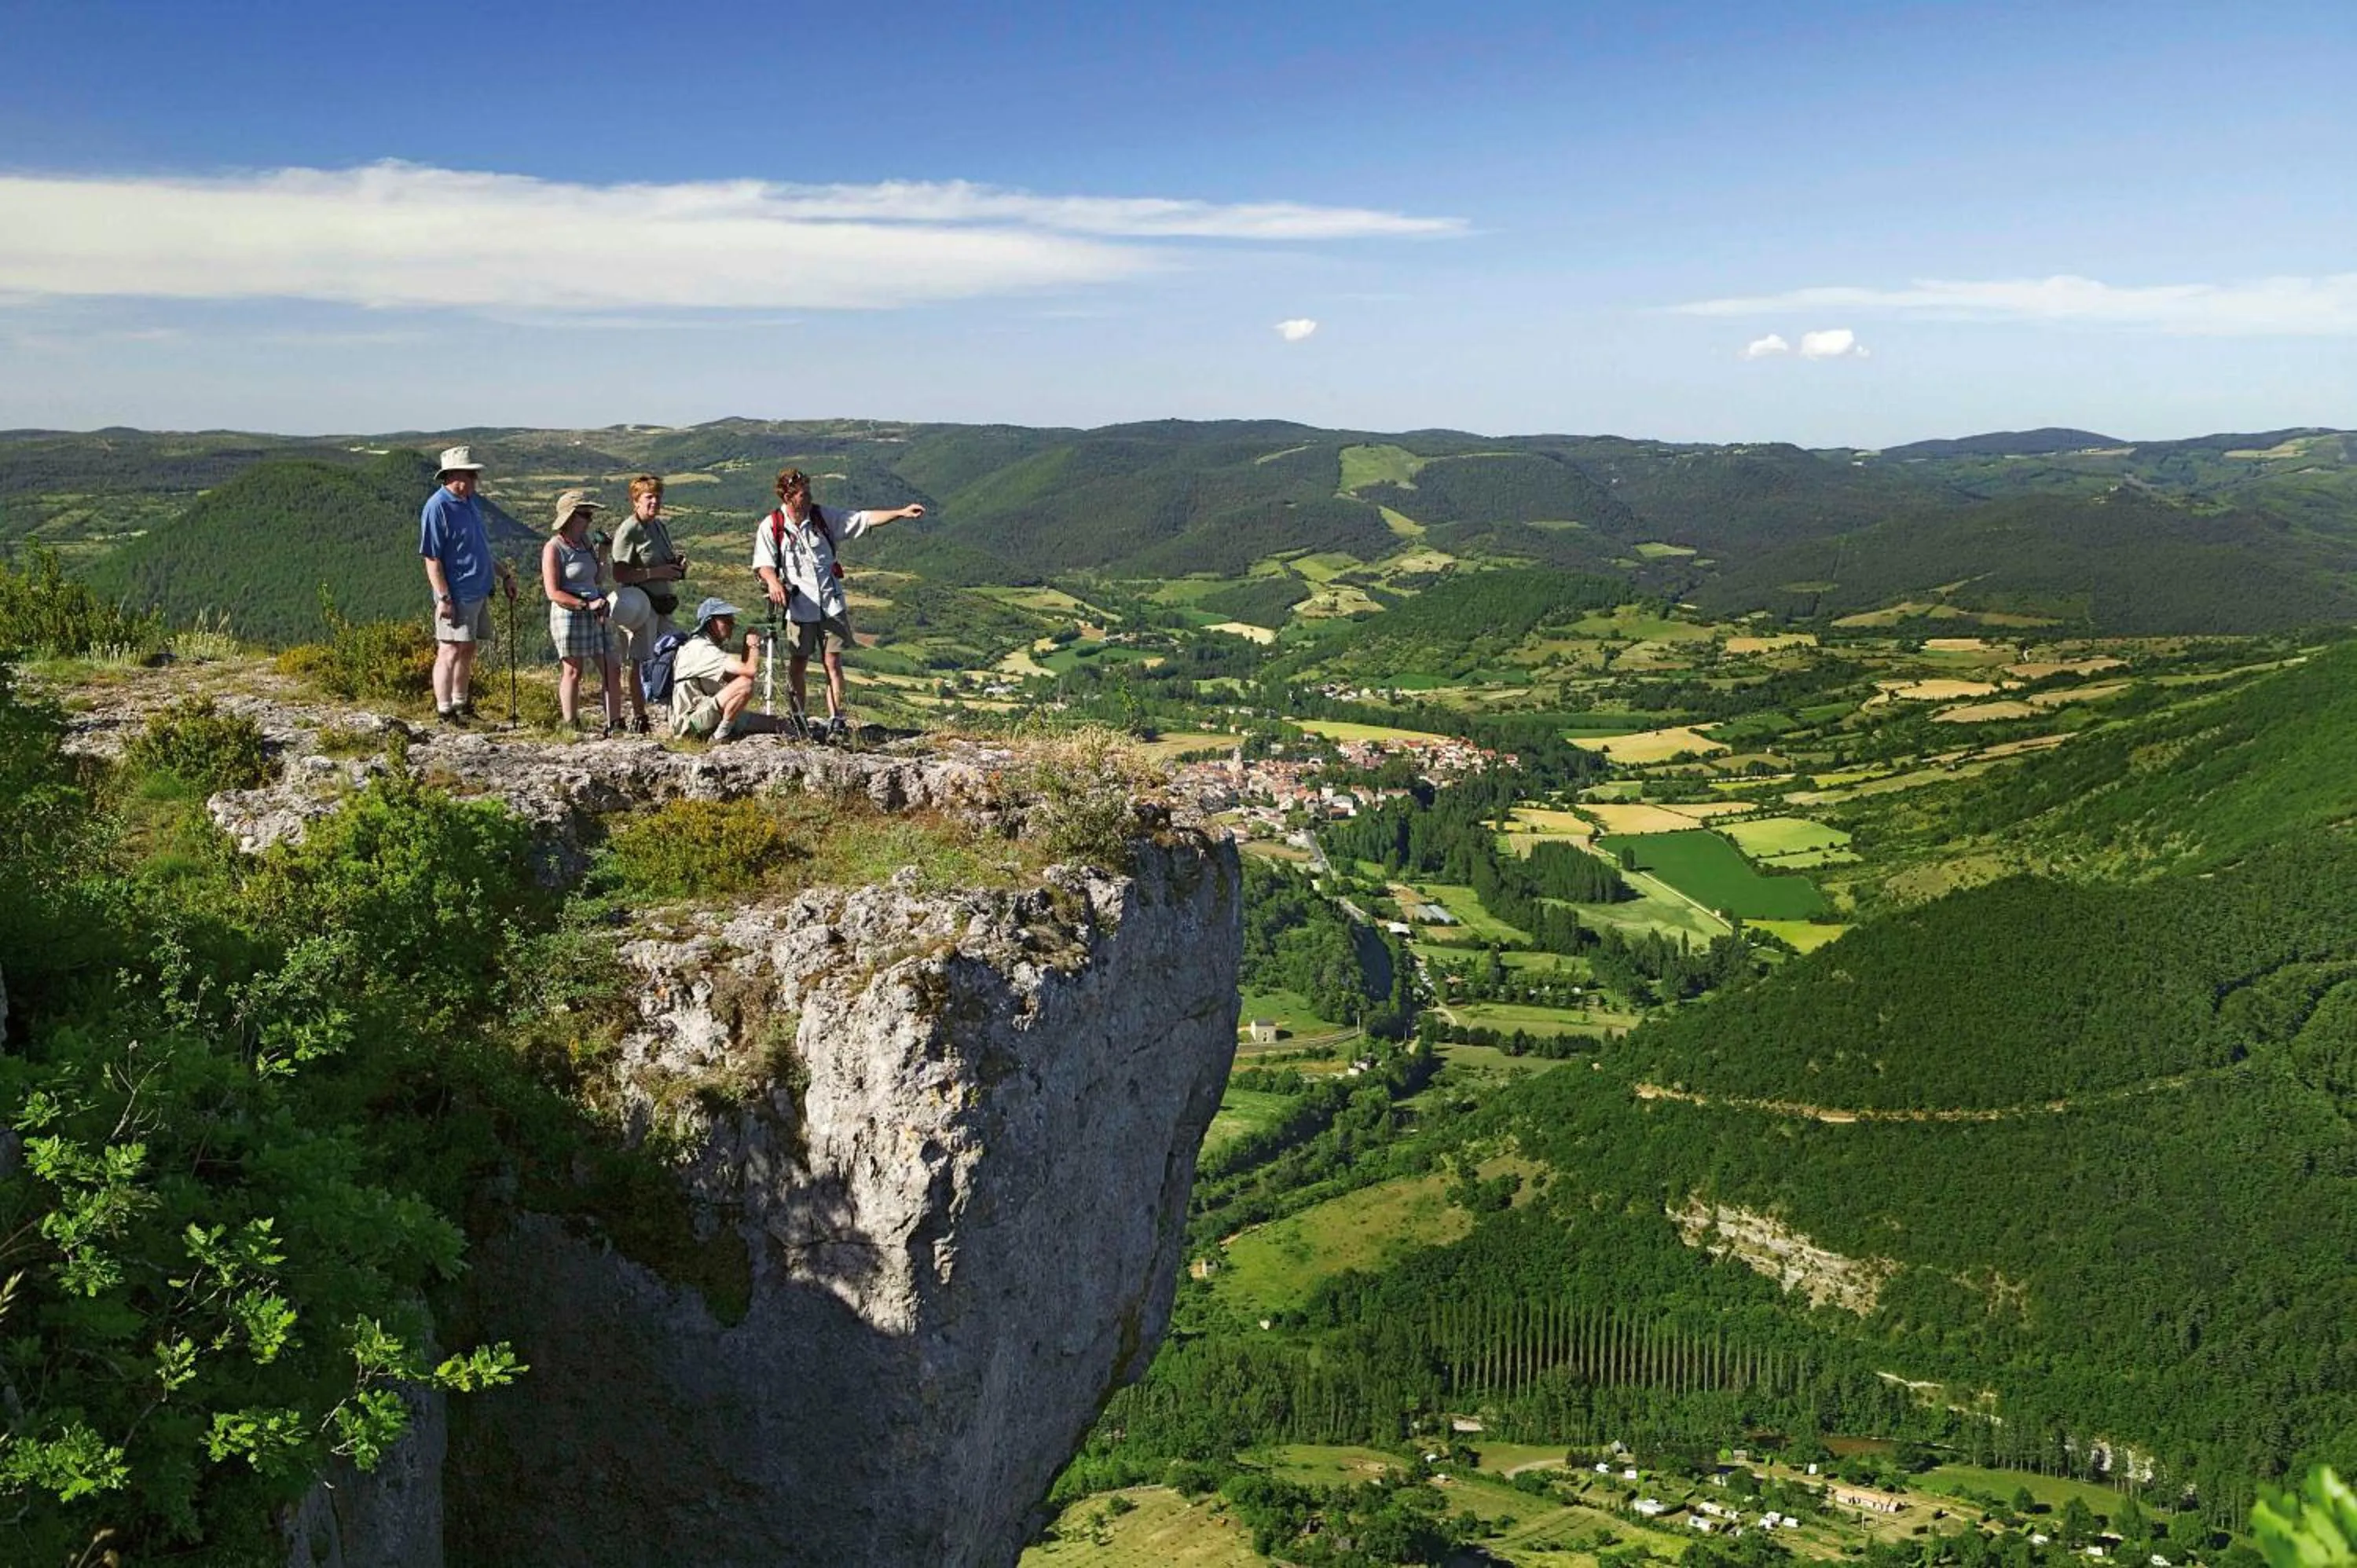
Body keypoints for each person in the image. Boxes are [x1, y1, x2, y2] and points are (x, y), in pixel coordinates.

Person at [751, 467, 923, 740]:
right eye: (802, 495)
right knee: (798, 662)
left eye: (809, 493)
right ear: (787, 496)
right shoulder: (772, 526)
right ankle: (799, 718)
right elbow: (764, 564)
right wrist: (773, 582)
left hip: (831, 603)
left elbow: (862, 519)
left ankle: (837, 719)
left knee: (833, 662)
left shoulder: (823, 517)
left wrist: (900, 513)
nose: (808, 499)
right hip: (799, 607)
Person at [419, 445, 518, 724]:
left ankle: (461, 704)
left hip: (477, 590)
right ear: (454, 475)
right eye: (472, 475)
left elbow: (479, 549)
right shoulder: (437, 508)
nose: (477, 480)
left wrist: (504, 574)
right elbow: (432, 558)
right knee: (449, 649)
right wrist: (444, 598)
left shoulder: (468, 502)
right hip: (457, 593)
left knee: (468, 647)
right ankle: (445, 709)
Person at [607, 473, 691, 735]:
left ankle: (673, 711)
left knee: (675, 653)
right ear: (636, 501)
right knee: (641, 660)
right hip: (641, 604)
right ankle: (640, 716)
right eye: (649, 497)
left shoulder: (658, 527)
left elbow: (662, 562)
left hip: (662, 603)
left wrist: (676, 567)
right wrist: (656, 574)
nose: (654, 502)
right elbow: (619, 574)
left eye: (657, 496)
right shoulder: (629, 529)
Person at [541, 489, 621, 734]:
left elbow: (596, 577)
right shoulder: (554, 548)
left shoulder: (585, 543)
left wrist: (603, 553)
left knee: (611, 666)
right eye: (585, 514)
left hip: (595, 610)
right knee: (574, 670)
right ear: (570, 517)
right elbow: (553, 592)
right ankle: (571, 722)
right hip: (570, 613)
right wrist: (586, 604)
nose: (590, 519)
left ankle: (615, 723)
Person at [670, 597, 763, 742]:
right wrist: (754, 646)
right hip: (690, 726)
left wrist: (746, 648)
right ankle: (721, 735)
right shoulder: (700, 649)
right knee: (746, 684)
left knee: (779, 723)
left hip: (706, 714)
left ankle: (723, 728)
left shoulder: (706, 646)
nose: (732, 625)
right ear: (711, 623)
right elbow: (749, 672)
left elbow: (736, 680)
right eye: (726, 621)